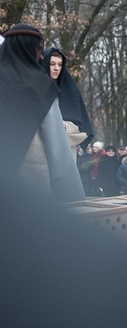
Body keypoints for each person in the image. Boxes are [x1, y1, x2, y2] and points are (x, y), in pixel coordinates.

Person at [0, 23, 86, 202]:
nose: (41, 57)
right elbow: (58, 151)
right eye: (38, 50)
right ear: (30, 50)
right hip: (26, 199)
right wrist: (75, 200)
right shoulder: (39, 87)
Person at [41, 47, 95, 153]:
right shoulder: (35, 87)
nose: (56, 68)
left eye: (60, 64)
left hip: (66, 145)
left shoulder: (70, 90)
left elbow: (79, 125)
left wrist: (63, 125)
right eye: (52, 64)